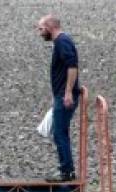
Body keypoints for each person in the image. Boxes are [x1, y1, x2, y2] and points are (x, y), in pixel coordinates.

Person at [37, 15, 80, 182]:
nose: (39, 33)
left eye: (41, 29)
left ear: (50, 26)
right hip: (61, 94)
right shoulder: (60, 42)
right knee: (60, 132)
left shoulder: (62, 42)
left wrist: (68, 92)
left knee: (59, 132)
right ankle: (66, 170)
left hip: (64, 95)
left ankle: (67, 171)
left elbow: (72, 66)